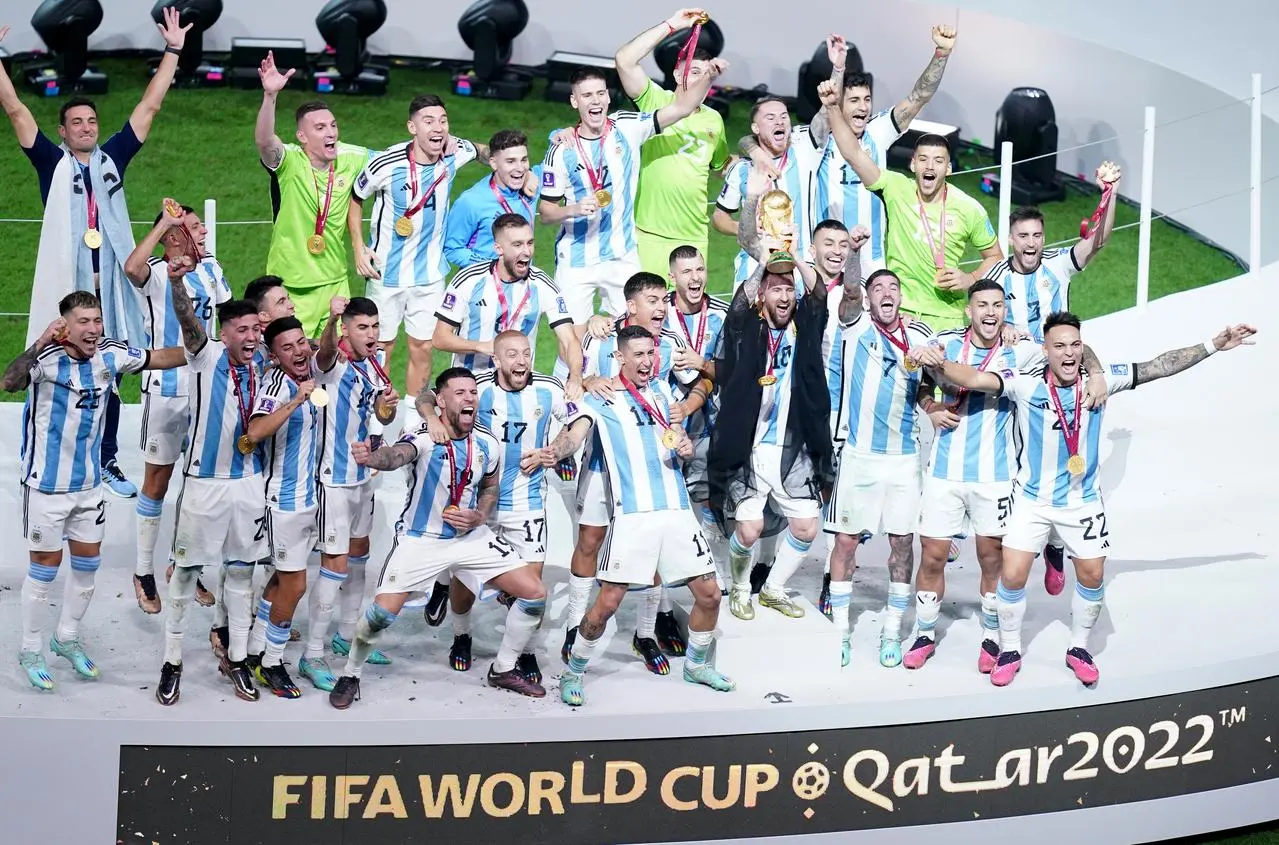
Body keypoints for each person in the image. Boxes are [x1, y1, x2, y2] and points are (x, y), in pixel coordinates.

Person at [919, 313, 1256, 687]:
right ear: (1044, 351)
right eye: (1059, 347)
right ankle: (1010, 648)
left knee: (1093, 575)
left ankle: (1078, 647)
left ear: (1083, 348)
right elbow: (976, 378)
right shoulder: (1026, 387)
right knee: (1012, 576)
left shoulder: (1100, 382)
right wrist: (938, 363)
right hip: (1032, 501)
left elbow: (1158, 366)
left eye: (1075, 345)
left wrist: (1213, 345)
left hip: (1082, 503)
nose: (1068, 354)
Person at [0, 10, 192, 499]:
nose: (86, 127)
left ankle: (103, 457)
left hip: (110, 287)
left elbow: (148, 108)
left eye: (91, 121)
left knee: (110, 367)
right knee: (50, 360)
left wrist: (172, 51)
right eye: (76, 122)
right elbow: (17, 110)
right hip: (68, 285)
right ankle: (43, 453)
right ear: (62, 132)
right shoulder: (50, 162)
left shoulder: (113, 160)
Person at [906, 281, 1105, 672]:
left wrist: (1095, 372)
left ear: (1005, 310)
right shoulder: (945, 341)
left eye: (998, 305)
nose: (991, 312)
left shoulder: (1024, 347)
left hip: (997, 476)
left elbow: (1072, 345)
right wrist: (929, 405)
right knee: (931, 556)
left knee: (991, 560)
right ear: (969, 310)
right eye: (982, 304)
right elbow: (921, 378)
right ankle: (924, 634)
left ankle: (993, 637)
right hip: (944, 472)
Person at [328, 367, 550, 708]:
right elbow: (397, 454)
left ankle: (503, 668)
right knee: (379, 617)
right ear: (442, 401)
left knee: (534, 593)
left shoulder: (487, 442)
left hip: (470, 537)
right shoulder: (424, 436)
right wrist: (374, 457)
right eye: (459, 393)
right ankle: (351, 673)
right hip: (422, 540)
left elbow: (490, 487)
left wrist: (481, 515)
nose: (469, 399)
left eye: (472, 393)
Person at [3, 292, 185, 690]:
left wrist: (205, 349)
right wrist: (38, 343)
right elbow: (9, 381)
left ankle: (65, 637)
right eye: (83, 321)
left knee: (88, 566)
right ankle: (31, 648)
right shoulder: (45, 361)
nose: (92, 329)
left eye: (97, 320)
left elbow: (157, 357)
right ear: (65, 325)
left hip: (88, 486)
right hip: (47, 487)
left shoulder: (110, 354)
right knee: (44, 570)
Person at [549, 326, 733, 706]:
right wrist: (555, 452)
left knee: (710, 595)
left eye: (651, 353)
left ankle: (696, 665)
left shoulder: (665, 392)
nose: (647, 361)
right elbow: (574, 435)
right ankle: (574, 671)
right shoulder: (600, 399)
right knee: (608, 603)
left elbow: (677, 434)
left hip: (678, 514)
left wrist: (683, 443)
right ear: (620, 358)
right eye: (638, 355)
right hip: (633, 519)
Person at [565, 272, 707, 666]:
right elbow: (573, 382)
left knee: (654, 548)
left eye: (664, 299)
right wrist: (589, 377)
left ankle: (646, 632)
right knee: (590, 540)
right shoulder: (600, 336)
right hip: (603, 458)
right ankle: (575, 624)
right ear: (631, 306)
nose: (663, 307)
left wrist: (687, 408)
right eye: (654, 300)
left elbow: (701, 382)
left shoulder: (673, 343)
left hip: (651, 466)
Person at [709, 172, 833, 624]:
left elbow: (818, 292)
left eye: (787, 290)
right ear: (764, 294)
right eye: (775, 289)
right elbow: (740, 301)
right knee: (750, 526)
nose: (783, 294)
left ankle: (775, 588)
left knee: (806, 526)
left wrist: (795, 259)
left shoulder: (805, 325)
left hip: (792, 446)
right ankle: (740, 587)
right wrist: (766, 262)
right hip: (748, 443)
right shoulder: (748, 327)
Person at [539, 61, 723, 334]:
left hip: (622, 256)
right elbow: (546, 212)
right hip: (577, 260)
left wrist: (708, 76)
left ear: (608, 97)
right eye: (587, 95)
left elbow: (681, 108)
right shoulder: (561, 151)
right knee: (573, 345)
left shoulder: (628, 126)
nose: (596, 101)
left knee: (637, 333)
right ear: (574, 101)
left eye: (600, 93)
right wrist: (574, 209)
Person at [820, 80, 1003, 332]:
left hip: (947, 319)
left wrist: (970, 278)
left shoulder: (969, 208)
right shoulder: (896, 188)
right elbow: (853, 153)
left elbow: (995, 257)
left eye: (938, 161)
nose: (930, 167)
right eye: (924, 160)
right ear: (912, 165)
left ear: (948, 169)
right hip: (899, 314)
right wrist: (831, 107)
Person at [350, 95, 489, 425]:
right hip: (386, 274)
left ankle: (413, 417)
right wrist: (358, 247)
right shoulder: (386, 163)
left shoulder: (452, 156)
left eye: (443, 120)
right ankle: (373, 414)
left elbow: (488, 152)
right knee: (380, 346)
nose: (437, 127)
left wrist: (503, 162)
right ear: (412, 127)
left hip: (429, 276)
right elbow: (355, 199)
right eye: (428, 121)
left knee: (423, 346)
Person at [156, 297, 268, 706]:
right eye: (243, 330)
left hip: (249, 483)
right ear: (225, 333)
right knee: (186, 574)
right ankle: (172, 663)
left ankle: (237, 659)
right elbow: (187, 318)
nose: (252, 337)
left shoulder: (265, 361)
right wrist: (174, 282)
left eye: (256, 329)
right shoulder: (205, 354)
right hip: (204, 483)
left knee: (241, 576)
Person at [821, 269, 934, 667]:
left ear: (901, 296)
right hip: (859, 457)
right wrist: (853, 256)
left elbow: (933, 380)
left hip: (903, 459)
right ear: (868, 299)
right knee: (846, 544)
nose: (886, 294)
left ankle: (891, 631)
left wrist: (933, 395)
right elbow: (849, 292)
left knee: (902, 544)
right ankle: (840, 631)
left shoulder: (920, 334)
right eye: (878, 289)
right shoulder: (854, 325)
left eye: (893, 288)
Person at [124, 198, 230, 614]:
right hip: (165, 387)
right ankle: (143, 569)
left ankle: (180, 563)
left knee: (198, 480)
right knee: (157, 481)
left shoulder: (212, 269)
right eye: (194, 226)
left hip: (204, 387)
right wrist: (165, 223)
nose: (204, 231)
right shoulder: (154, 272)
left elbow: (227, 319)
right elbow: (131, 267)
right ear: (172, 237)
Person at [447, 331, 571, 684]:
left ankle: (524, 651)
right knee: (465, 582)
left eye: (527, 354)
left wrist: (556, 450)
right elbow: (431, 397)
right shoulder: (478, 388)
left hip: (527, 503)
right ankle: (461, 634)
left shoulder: (549, 389)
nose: (521, 361)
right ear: (497, 360)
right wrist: (428, 417)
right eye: (512, 355)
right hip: (478, 503)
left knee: (532, 585)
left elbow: (578, 419)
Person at [299, 297, 399, 692]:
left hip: (363, 478)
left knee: (359, 558)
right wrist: (332, 318)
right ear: (346, 330)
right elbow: (322, 352)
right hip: (333, 480)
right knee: (334, 564)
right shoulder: (331, 363)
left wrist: (386, 408)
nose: (372, 335)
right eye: (363, 328)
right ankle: (312, 654)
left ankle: (346, 634)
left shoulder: (375, 364)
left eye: (375, 326)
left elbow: (380, 417)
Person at [807, 26, 957, 278]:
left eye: (867, 100)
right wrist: (838, 71)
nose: (863, 107)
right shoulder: (821, 137)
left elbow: (919, 96)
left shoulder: (878, 131)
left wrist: (941, 53)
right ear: (840, 103)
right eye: (854, 100)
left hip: (872, 260)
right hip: (830, 259)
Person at [255, 51, 370, 337]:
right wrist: (270, 97)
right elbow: (265, 140)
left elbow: (395, 161)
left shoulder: (352, 157)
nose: (330, 132)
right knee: (291, 361)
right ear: (302, 137)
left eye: (333, 125)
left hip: (335, 282)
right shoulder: (290, 163)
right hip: (292, 287)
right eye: (320, 128)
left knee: (338, 363)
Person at [612, 8, 733, 275]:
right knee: (646, 309)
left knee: (688, 313)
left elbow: (722, 166)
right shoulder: (654, 101)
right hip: (650, 235)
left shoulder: (714, 120)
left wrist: (755, 154)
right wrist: (671, 25)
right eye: (695, 71)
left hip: (694, 237)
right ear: (678, 75)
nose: (701, 78)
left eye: (706, 73)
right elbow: (624, 60)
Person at [240, 316, 322, 699]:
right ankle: (272, 662)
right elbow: (254, 433)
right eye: (287, 348)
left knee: (279, 580)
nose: (299, 351)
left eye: (301, 342)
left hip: (308, 500)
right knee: (295, 583)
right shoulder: (277, 387)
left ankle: (255, 651)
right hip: (283, 503)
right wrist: (296, 400)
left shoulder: (309, 375)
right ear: (273, 356)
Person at [433, 214, 583, 395]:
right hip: (471, 387)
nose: (527, 251)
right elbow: (440, 338)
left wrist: (575, 378)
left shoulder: (542, 284)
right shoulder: (469, 280)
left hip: (519, 386)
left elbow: (570, 340)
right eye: (518, 244)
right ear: (499, 248)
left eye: (530, 243)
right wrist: (483, 346)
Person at [990, 164, 1123, 343]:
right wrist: (1003, 327)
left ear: (1043, 239)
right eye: (1023, 236)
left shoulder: (1058, 262)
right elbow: (980, 317)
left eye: (1036, 235)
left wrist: (1111, 194)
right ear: (1011, 239)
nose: (1031, 243)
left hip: (1057, 356)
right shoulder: (996, 277)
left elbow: (1097, 242)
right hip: (1016, 360)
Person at [663, 246, 731, 585]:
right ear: (672, 277)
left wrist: (701, 362)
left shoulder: (722, 314)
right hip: (663, 423)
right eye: (687, 272)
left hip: (708, 424)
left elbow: (735, 370)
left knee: (705, 500)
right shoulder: (657, 310)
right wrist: (599, 323)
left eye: (700, 270)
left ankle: (712, 572)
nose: (696, 278)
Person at [714, 96, 822, 287]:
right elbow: (719, 218)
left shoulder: (804, 150)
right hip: (754, 266)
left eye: (784, 116)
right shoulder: (741, 170)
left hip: (801, 266)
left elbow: (825, 118)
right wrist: (744, 228)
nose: (779, 121)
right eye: (770, 118)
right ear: (756, 128)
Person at [445, 129, 543, 268]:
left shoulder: (532, 186)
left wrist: (562, 134)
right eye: (511, 161)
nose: (520, 168)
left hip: (522, 284)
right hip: (483, 285)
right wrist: (491, 267)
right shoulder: (471, 201)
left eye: (524, 160)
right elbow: (452, 249)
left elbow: (558, 159)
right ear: (493, 163)